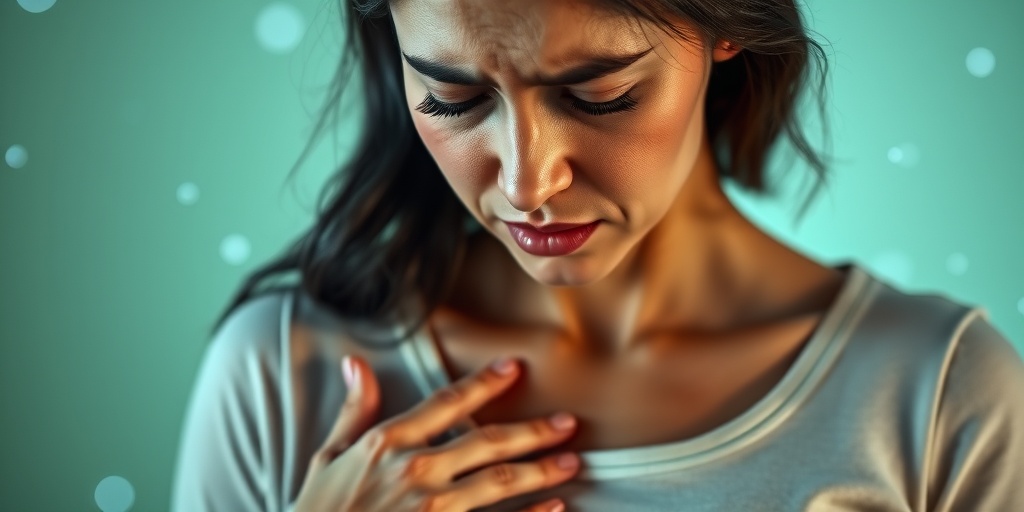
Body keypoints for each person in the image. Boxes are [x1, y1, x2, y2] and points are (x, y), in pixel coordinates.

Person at [170, 0, 1024, 510]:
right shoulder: (283, 375)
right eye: (453, 99)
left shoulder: (937, 396)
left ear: (721, 29)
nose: (529, 181)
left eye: (598, 96)